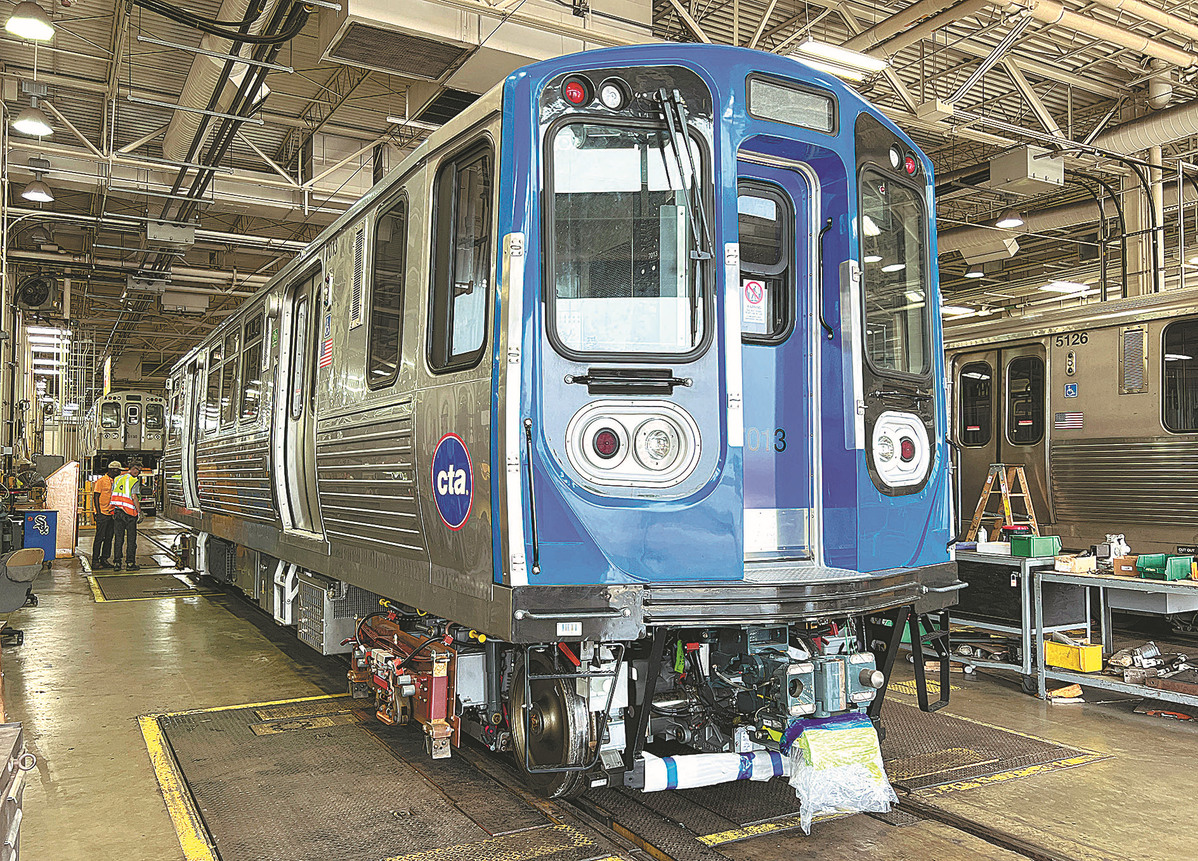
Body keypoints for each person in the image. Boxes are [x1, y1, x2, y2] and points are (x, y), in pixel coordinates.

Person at [111, 462, 142, 571]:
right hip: (129, 513)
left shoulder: (117, 479)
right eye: (137, 470)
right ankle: (130, 563)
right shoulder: (134, 480)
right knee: (131, 539)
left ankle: (117, 563)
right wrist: (139, 512)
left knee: (118, 539)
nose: (138, 472)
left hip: (118, 512)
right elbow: (134, 497)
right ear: (132, 469)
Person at [91, 461, 122, 570]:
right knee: (100, 537)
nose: (119, 472)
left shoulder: (116, 481)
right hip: (102, 514)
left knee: (109, 538)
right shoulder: (101, 481)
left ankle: (104, 559)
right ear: (112, 470)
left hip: (112, 513)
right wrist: (98, 513)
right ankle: (95, 561)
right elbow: (95, 496)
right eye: (118, 470)